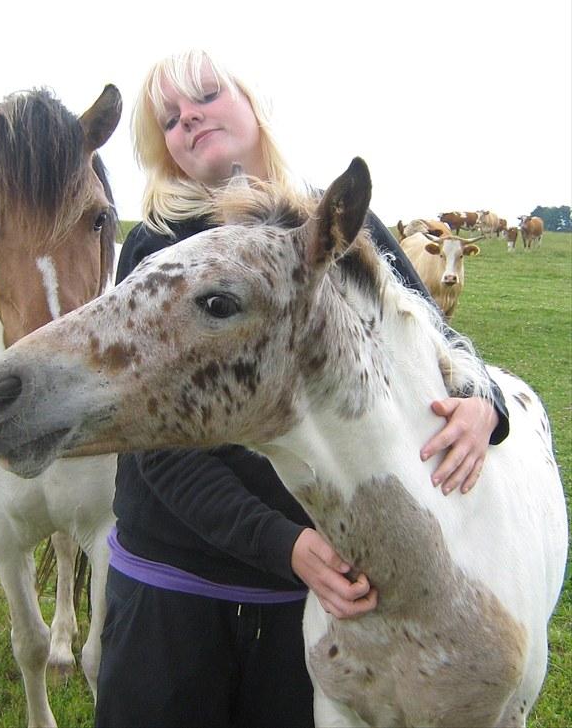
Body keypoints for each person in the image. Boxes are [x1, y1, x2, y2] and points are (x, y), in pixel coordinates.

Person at [94, 48, 509, 728]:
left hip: (310, 606)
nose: (189, 117)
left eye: (205, 94)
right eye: (169, 118)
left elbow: (435, 337)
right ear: (164, 150)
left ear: (252, 104)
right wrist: (280, 542)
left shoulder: (338, 229)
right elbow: (152, 438)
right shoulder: (159, 249)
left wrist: (481, 403)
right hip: (173, 590)